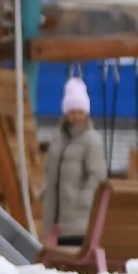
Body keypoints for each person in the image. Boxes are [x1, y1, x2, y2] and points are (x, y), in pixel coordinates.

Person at [39, 75, 108, 248]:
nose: (76, 116)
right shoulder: (59, 139)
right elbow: (51, 173)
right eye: (72, 111)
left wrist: (82, 199)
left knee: (71, 260)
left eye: (80, 111)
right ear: (66, 112)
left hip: (79, 219)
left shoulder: (92, 140)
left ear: (86, 112)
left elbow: (98, 175)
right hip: (56, 218)